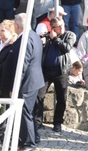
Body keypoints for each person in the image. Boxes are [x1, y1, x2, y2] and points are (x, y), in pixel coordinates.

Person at [5, 14, 45, 149]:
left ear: (17, 25)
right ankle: (32, 137)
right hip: (32, 80)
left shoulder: (26, 39)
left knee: (25, 112)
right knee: (28, 112)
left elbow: (22, 65)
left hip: (27, 82)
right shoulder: (33, 35)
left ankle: (29, 142)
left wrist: (14, 87)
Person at [35, 16, 76, 133]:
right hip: (46, 72)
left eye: (62, 25)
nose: (62, 28)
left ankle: (57, 123)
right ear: (53, 28)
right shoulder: (48, 36)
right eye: (59, 27)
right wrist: (43, 41)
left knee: (61, 98)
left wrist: (55, 39)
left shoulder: (69, 35)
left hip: (61, 72)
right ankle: (38, 122)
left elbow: (66, 48)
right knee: (39, 96)